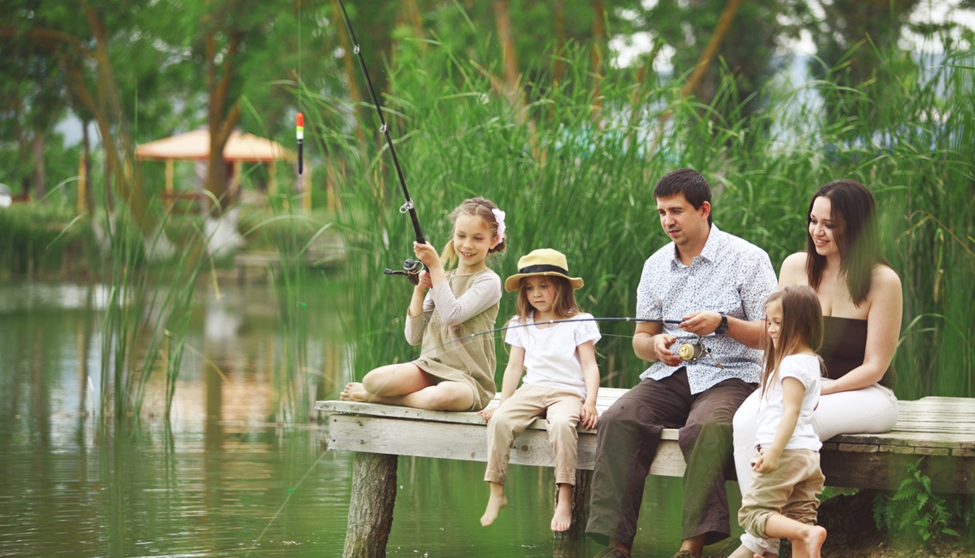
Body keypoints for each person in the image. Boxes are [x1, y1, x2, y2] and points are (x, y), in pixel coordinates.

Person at [587, 168, 777, 558]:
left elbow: (773, 333)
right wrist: (655, 344)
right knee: (618, 418)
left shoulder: (748, 259)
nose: (667, 221)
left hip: (733, 374)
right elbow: (641, 338)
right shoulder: (654, 266)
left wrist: (722, 324)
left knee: (706, 427)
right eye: (661, 213)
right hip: (671, 372)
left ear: (704, 209)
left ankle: (690, 548)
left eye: (676, 211)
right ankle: (616, 546)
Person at [729, 180, 901, 557]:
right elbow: (776, 339)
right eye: (813, 221)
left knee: (796, 425)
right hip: (799, 382)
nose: (817, 232)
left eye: (830, 224)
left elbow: (875, 366)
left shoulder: (883, 280)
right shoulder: (795, 267)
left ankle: (758, 545)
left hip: (865, 392)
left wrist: (822, 389)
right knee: (745, 422)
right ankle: (770, 540)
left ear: (856, 227)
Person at [340, 197, 507, 411]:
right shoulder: (443, 278)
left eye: (478, 238)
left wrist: (435, 266)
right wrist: (419, 290)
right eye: (461, 236)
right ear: (453, 236)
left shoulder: (489, 281)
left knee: (444, 396)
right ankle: (395, 394)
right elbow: (413, 337)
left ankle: (384, 400)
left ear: (493, 241)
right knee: (373, 380)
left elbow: (452, 315)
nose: (467, 245)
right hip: (429, 369)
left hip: (467, 381)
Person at [479, 248, 601, 532]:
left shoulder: (579, 321)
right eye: (530, 288)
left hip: (567, 392)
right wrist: (502, 402)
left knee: (560, 424)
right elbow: (513, 369)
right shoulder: (521, 324)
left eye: (544, 286)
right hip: (532, 389)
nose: (536, 293)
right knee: (500, 421)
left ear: (561, 287)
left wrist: (591, 402)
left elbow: (590, 367)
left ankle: (565, 496)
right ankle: (497, 491)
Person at [738, 286, 828, 558]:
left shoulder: (789, 365)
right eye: (770, 322)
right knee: (800, 518)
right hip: (808, 455)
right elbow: (809, 407)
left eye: (779, 322)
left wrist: (774, 451)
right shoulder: (811, 361)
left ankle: (806, 534)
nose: (772, 329)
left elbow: (790, 412)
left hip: (786, 452)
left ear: (801, 323)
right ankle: (806, 533)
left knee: (753, 514)